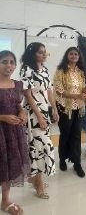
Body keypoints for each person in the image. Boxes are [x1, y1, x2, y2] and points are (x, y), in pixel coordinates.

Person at [18, 43, 56, 199]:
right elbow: (27, 95)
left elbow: (49, 90)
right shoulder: (26, 69)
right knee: (39, 147)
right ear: (33, 54)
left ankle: (34, 178)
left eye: (45, 52)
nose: (44, 55)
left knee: (41, 146)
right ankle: (38, 183)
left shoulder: (45, 69)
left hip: (44, 112)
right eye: (41, 53)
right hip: (33, 115)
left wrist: (54, 108)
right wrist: (39, 116)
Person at [0, 50, 28, 215]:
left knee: (8, 166)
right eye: (4, 61)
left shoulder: (17, 84)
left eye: (12, 62)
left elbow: (18, 104)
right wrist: (3, 117)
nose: (9, 65)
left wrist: (22, 112)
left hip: (12, 133)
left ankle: (5, 200)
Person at [52, 47, 86, 177]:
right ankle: (62, 159)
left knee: (77, 135)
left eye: (76, 54)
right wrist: (76, 96)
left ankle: (77, 163)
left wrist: (85, 92)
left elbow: (82, 87)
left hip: (79, 108)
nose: (73, 56)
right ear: (67, 56)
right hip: (65, 108)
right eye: (71, 54)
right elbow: (59, 90)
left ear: (79, 57)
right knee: (65, 134)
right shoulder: (61, 70)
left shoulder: (80, 72)